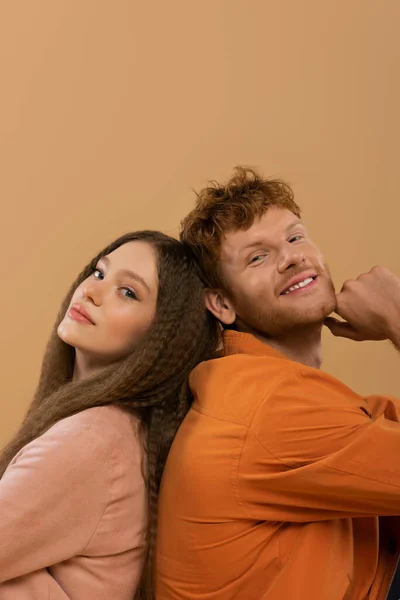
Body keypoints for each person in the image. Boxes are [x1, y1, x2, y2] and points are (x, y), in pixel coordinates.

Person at [156, 167, 400, 600]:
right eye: (257, 257)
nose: (291, 257)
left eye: (295, 237)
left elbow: (374, 422)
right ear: (222, 304)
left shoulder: (266, 388)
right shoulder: (267, 406)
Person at [0, 230, 218, 600]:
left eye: (128, 292)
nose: (90, 291)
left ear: (161, 336)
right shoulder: (118, 432)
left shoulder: (91, 443)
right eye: (99, 273)